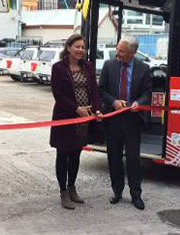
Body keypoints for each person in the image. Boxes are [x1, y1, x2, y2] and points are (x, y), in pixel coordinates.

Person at [99, 35, 152, 210]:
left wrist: (140, 103)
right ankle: (117, 191)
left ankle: (136, 194)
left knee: (133, 158)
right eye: (117, 49)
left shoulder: (144, 69)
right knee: (114, 157)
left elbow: (147, 93)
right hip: (113, 118)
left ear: (133, 53)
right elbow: (101, 90)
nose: (117, 53)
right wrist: (113, 101)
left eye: (121, 51)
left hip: (132, 119)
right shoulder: (109, 65)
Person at [50, 34, 102, 210]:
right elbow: (58, 95)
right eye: (77, 46)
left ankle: (72, 188)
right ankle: (63, 192)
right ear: (68, 47)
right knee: (63, 155)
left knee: (76, 154)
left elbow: (94, 90)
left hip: (84, 120)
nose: (81, 50)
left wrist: (97, 109)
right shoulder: (58, 68)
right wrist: (75, 109)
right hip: (65, 118)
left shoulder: (87, 66)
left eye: (83, 47)